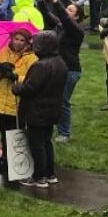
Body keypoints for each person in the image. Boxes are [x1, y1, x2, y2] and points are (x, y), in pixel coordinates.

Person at [9, 30, 68, 188]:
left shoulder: (41, 65)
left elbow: (30, 87)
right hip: (52, 109)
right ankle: (50, 173)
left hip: (37, 110)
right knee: (46, 142)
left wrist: (16, 88)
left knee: (37, 144)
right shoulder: (60, 62)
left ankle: (39, 176)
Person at [37, 0, 85, 143]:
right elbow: (48, 15)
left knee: (63, 101)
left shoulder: (76, 31)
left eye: (71, 10)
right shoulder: (60, 26)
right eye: (67, 8)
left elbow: (64, 17)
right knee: (53, 98)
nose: (66, 10)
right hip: (57, 68)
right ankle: (54, 128)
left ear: (76, 18)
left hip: (71, 70)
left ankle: (65, 132)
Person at [0, 28, 35, 138]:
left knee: (17, 135)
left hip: (17, 101)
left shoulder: (31, 57)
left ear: (27, 42)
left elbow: (32, 78)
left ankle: (17, 155)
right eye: (16, 39)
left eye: (22, 40)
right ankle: (5, 154)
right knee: (4, 133)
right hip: (2, 99)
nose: (17, 42)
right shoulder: (4, 51)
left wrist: (16, 77)